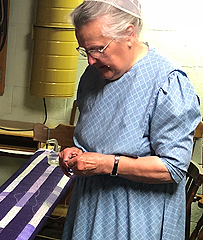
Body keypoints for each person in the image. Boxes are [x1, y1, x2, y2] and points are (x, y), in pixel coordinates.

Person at [59, 0, 201, 239]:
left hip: (139, 218)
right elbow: (96, 139)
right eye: (84, 50)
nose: (91, 60)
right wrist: (77, 152)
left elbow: (173, 168)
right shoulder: (93, 76)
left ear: (128, 33)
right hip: (89, 206)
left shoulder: (167, 82)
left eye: (97, 48)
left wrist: (108, 164)